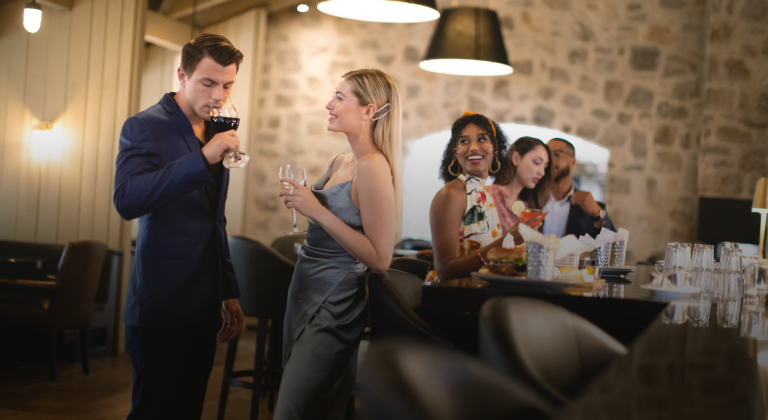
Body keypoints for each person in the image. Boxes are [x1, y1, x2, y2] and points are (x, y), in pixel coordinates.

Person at [113, 34, 245, 419]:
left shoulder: (218, 127)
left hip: (205, 305)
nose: (219, 95)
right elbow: (127, 200)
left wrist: (228, 290)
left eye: (228, 85)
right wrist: (202, 158)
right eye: (208, 83)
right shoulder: (143, 126)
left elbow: (213, 219)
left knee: (188, 411)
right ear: (182, 76)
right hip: (162, 303)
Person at [273, 69, 403, 420]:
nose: (328, 104)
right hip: (303, 288)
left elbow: (380, 258)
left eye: (339, 97)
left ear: (367, 111)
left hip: (332, 302)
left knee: (293, 409)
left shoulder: (374, 167)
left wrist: (316, 211)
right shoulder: (341, 161)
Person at [428, 112, 540, 282]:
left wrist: (523, 241)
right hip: (455, 300)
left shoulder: (485, 194)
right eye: (464, 141)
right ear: (455, 151)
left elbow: (487, 262)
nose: (473, 147)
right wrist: (505, 241)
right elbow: (445, 271)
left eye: (482, 139)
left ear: (495, 149)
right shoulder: (450, 195)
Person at [543, 137, 615, 238]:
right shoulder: (531, 200)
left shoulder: (589, 207)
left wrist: (598, 215)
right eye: (546, 155)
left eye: (556, 154)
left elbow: (611, 242)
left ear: (572, 162)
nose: (549, 160)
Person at [486, 136, 553, 234]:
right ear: (516, 158)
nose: (542, 172)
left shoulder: (528, 208)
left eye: (545, 167)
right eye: (537, 162)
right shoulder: (487, 195)